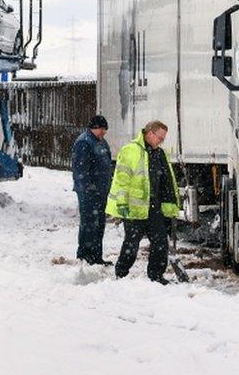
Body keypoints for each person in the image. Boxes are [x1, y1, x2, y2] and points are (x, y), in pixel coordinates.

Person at [106, 120, 180, 285]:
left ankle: (156, 276)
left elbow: (166, 180)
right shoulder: (130, 151)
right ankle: (121, 273)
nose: (161, 141)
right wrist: (122, 203)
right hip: (134, 208)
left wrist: (169, 205)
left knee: (160, 242)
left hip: (154, 207)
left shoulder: (159, 153)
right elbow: (122, 179)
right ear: (150, 133)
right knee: (131, 243)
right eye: (160, 138)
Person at [71, 115, 113, 265]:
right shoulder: (84, 142)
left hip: (100, 191)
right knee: (89, 223)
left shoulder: (100, 142)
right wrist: (89, 188)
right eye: (102, 129)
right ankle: (85, 255)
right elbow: (80, 169)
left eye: (105, 130)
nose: (104, 133)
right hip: (89, 192)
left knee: (99, 223)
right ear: (94, 128)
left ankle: (96, 256)